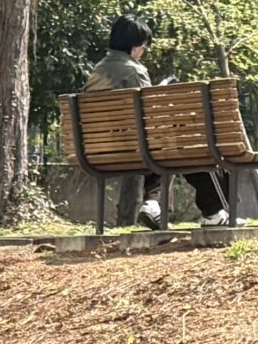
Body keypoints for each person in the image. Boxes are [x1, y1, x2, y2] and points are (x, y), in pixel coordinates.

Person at [84, 14, 230, 230]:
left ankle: (153, 204)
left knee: (165, 149)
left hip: (99, 149)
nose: (143, 52)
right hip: (136, 146)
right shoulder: (134, 70)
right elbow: (150, 115)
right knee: (194, 148)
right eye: (144, 47)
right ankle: (214, 212)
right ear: (136, 46)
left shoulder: (97, 70)